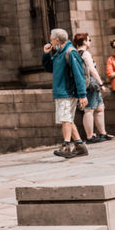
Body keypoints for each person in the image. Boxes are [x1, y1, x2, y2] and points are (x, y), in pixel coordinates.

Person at [43, 28, 89, 157]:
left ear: (57, 39)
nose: (50, 40)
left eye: (51, 38)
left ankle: (67, 146)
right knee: (67, 119)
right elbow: (49, 67)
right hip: (60, 92)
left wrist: (82, 94)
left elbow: (78, 74)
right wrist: (46, 54)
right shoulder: (58, 53)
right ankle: (80, 146)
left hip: (67, 92)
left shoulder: (70, 52)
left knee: (65, 119)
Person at [73, 32, 113, 142]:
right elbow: (92, 69)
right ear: (84, 41)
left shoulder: (76, 53)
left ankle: (103, 133)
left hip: (89, 84)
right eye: (89, 40)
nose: (90, 42)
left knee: (100, 107)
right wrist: (101, 83)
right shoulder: (85, 53)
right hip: (90, 85)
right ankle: (90, 137)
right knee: (89, 110)